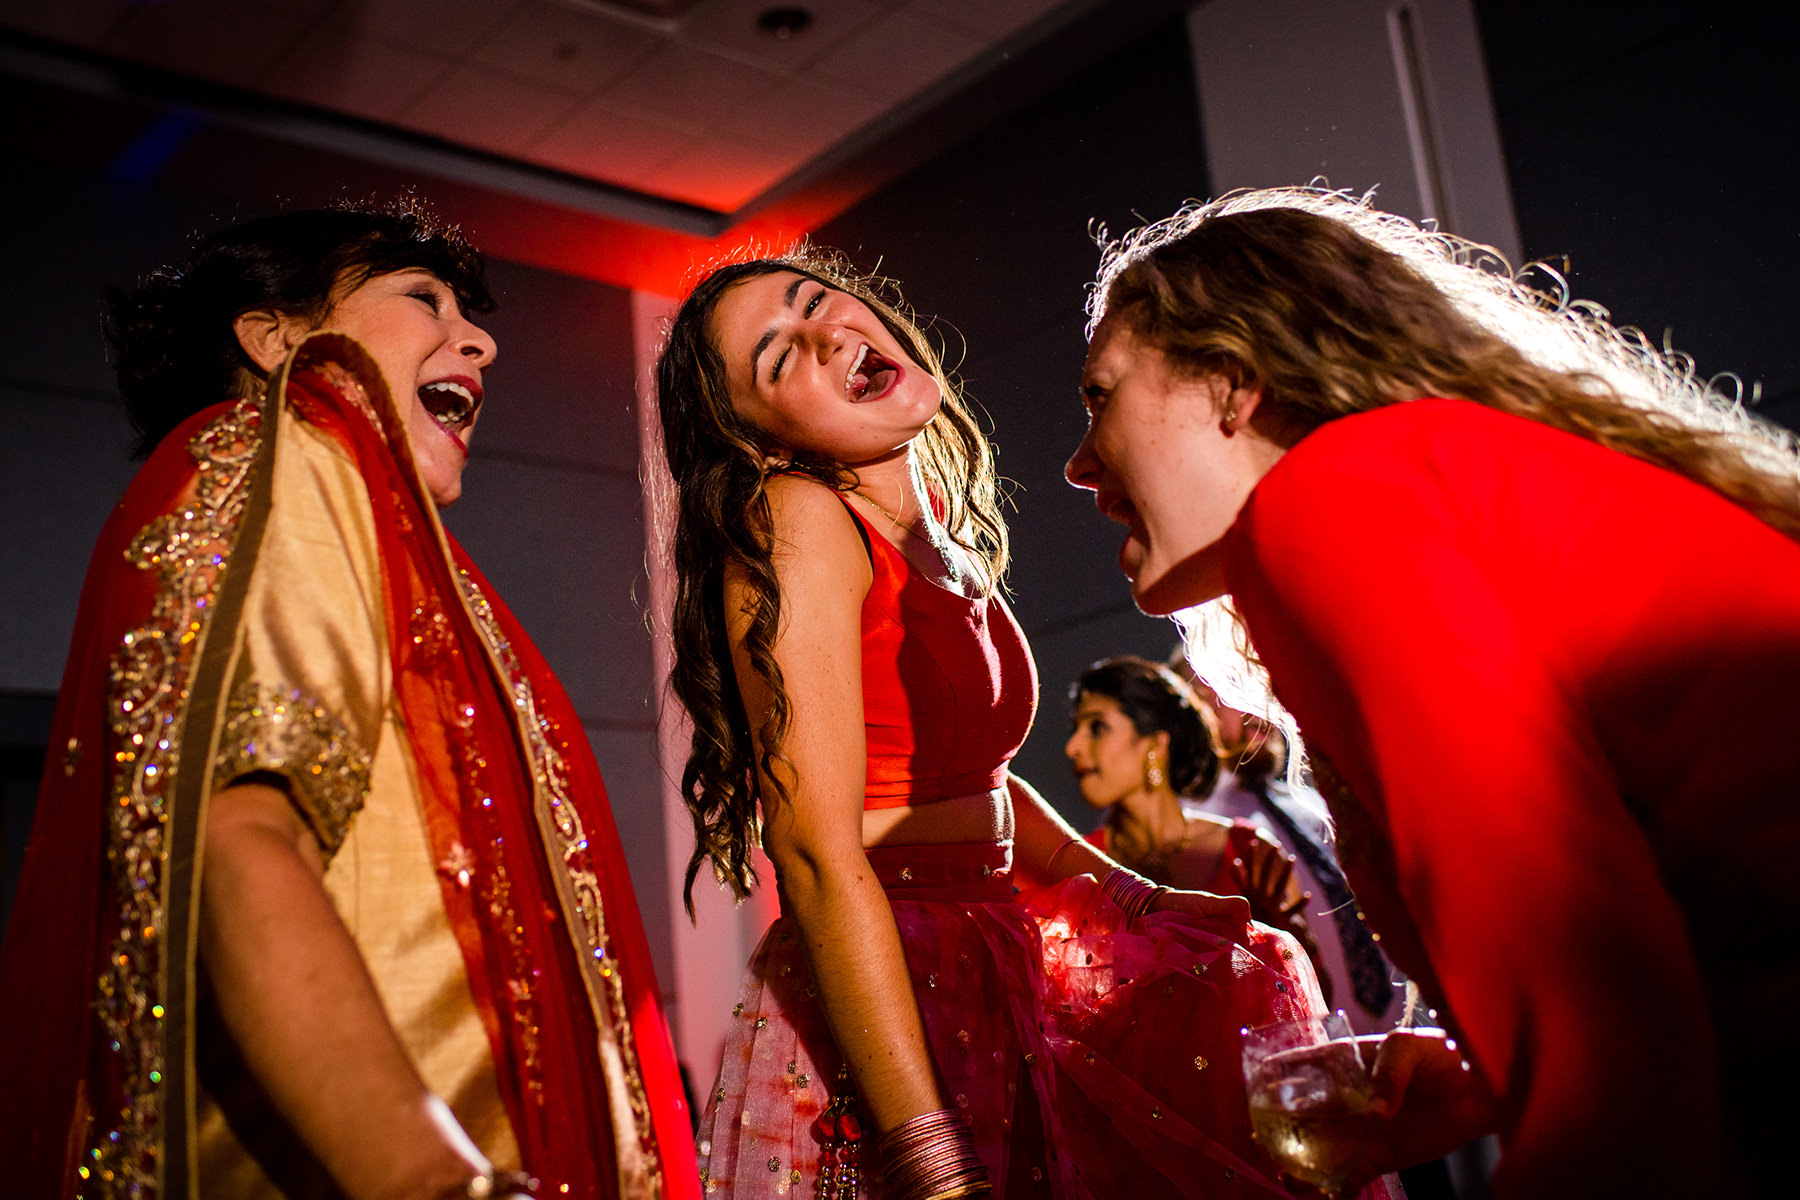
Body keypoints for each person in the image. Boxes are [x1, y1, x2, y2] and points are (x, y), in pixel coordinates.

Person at [1065, 186, 1800, 1197]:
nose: (1076, 465)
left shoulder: (1332, 501)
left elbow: (1604, 1036)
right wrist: (1474, 1085)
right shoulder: (1409, 484)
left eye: (1100, 396)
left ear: (1232, 380)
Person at [654, 248, 1398, 1200]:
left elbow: (982, 786)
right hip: (896, 974)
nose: (826, 330)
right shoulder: (796, 516)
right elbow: (808, 854)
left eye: (819, 302)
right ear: (757, 439)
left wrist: (1135, 900)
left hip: (991, 945)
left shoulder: (937, 539)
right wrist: (927, 1156)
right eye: (780, 356)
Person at [0, 204, 698, 1200]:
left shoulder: (357, 525)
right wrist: (432, 1179)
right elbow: (231, 836)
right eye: (423, 299)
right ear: (276, 337)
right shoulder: (292, 447)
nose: (482, 341)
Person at [1064, 655, 1331, 994]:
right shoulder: (1078, 867)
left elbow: (1316, 999)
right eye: (1075, 730)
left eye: (1097, 727)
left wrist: (1275, 939)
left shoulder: (1246, 851)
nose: (1072, 747)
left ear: (1156, 743)